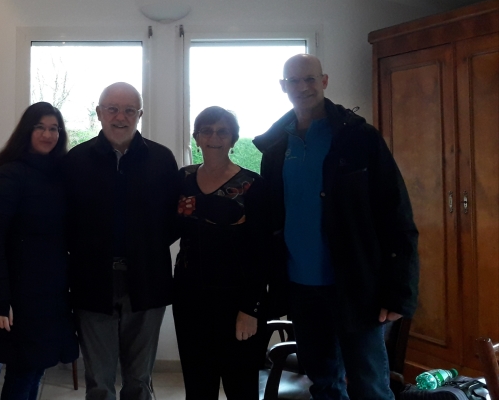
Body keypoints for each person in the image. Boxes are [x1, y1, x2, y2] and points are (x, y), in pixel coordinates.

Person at [253, 54, 419, 400]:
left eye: (310, 79)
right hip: (302, 289)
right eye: (294, 81)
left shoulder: (359, 138)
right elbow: (271, 220)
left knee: (370, 387)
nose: (303, 87)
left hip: (357, 286)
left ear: (324, 81)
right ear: (283, 87)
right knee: (324, 384)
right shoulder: (276, 147)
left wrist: (399, 292)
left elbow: (397, 215)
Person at [63, 82, 179, 400]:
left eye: (129, 110)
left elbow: (173, 220)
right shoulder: (76, 160)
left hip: (147, 279)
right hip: (91, 281)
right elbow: (64, 221)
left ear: (139, 115)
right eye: (112, 109)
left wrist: (144, 247)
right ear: (99, 113)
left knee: (139, 380)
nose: (120, 117)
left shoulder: (161, 159)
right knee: (99, 381)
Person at [0, 102, 79, 400]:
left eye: (54, 129)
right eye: (40, 127)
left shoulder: (58, 174)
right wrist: (0, 301)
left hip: (51, 293)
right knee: (23, 370)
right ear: (27, 130)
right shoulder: (9, 175)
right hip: (20, 294)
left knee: (37, 367)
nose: (48, 135)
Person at [173, 106, 269, 400]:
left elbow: (263, 252)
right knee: (198, 388)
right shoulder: (183, 179)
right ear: (196, 137)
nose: (214, 138)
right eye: (207, 131)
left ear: (233, 139)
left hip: (237, 301)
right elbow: (166, 226)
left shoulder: (253, 185)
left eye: (222, 132)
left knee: (241, 388)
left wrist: (250, 309)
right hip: (189, 298)